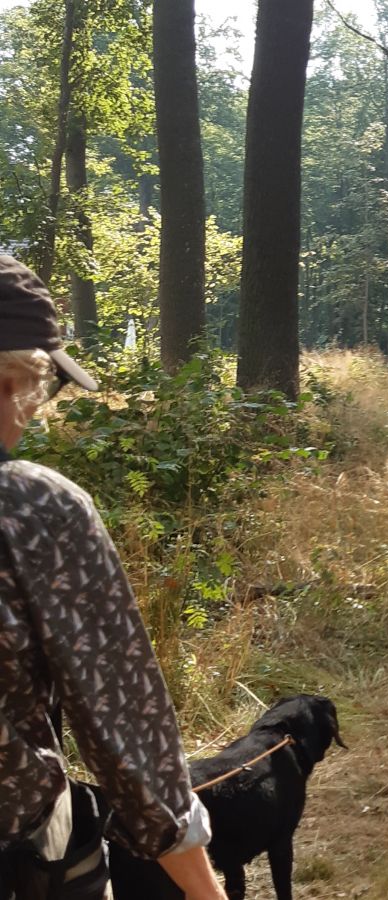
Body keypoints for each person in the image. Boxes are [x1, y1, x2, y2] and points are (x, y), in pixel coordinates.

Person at [0, 257, 227, 900]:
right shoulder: (32, 510)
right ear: (11, 378)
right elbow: (122, 721)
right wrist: (203, 892)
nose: (34, 414)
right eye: (39, 390)